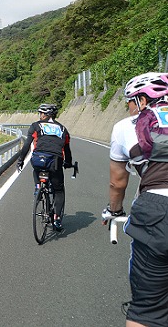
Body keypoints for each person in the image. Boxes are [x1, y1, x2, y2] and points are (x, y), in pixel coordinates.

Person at [102, 72, 168, 327]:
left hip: (156, 211)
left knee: (146, 311)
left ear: (142, 100)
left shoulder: (126, 127)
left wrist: (114, 210)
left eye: (129, 101)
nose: (128, 107)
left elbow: (117, 182)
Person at [16, 103, 73, 231]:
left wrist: (20, 160)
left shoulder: (36, 126)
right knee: (59, 191)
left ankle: (38, 188)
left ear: (44, 114)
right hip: (55, 161)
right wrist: (68, 163)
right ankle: (57, 219)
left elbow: (26, 146)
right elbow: (67, 150)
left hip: (38, 159)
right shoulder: (63, 129)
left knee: (37, 170)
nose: (40, 115)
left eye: (41, 113)